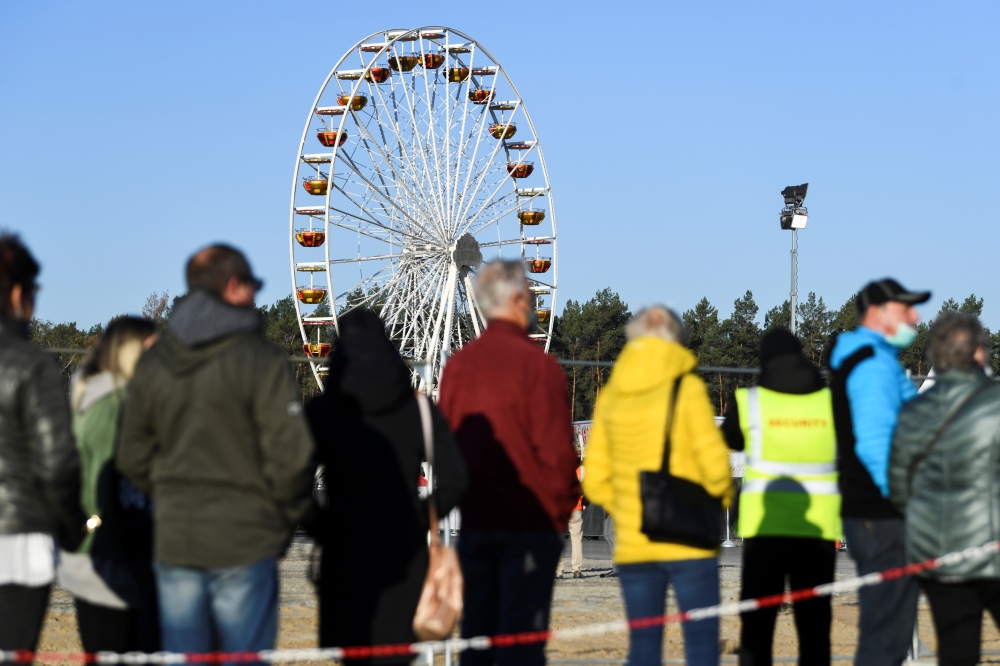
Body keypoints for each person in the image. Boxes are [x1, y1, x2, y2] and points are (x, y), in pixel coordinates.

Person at [117, 244, 315, 656]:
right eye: (253, 285)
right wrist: (279, 522)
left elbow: (131, 456)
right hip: (245, 541)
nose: (259, 296)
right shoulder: (261, 361)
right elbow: (294, 456)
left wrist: (168, 497)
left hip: (176, 541)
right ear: (233, 286)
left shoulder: (154, 365)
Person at [305, 309, 467, 664]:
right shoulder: (417, 411)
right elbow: (456, 478)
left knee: (353, 653)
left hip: (344, 555)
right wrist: (419, 520)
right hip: (403, 554)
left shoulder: (323, 413)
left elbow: (290, 480)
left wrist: (321, 527)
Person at [438, 260, 579, 666]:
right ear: (516, 299)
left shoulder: (458, 367)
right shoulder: (539, 367)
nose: (535, 302)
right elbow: (556, 454)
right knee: (521, 648)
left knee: (477, 641)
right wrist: (556, 516)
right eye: (532, 294)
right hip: (529, 527)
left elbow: (447, 449)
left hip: (477, 525)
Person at [583, 306, 733, 666]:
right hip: (689, 536)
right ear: (678, 339)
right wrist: (720, 497)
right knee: (700, 643)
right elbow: (715, 464)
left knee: (645, 645)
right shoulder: (688, 388)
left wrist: (627, 506)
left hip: (635, 540)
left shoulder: (612, 396)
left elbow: (596, 478)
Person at [721, 329, 841, 666]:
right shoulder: (830, 403)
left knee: (757, 629)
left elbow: (730, 438)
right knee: (815, 629)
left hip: (765, 531)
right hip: (818, 533)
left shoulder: (750, 402)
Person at [889, 313, 1000, 666]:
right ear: (979, 353)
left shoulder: (912, 413)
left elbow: (898, 487)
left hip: (938, 553)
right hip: (993, 547)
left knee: (957, 650)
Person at [829, 278, 929, 666]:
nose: (915, 316)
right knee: (888, 633)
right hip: (883, 513)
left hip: (874, 512)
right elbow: (876, 447)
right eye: (905, 309)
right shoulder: (872, 366)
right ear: (877, 313)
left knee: (887, 631)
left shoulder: (877, 360)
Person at [0, 233, 86, 653]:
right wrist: (72, 529)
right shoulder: (31, 364)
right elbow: (57, 463)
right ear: (17, 293)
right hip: (19, 545)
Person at [60, 316, 160, 653]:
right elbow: (105, 493)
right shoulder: (112, 408)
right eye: (152, 350)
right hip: (109, 562)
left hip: (114, 557)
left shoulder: (120, 402)